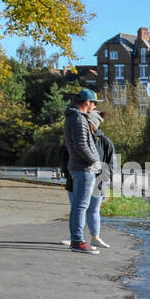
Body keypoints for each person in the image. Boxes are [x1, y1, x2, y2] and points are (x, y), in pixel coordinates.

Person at [62, 89, 104, 254]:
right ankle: (78, 241)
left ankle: (77, 240)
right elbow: (80, 145)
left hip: (79, 167)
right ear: (87, 102)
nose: (94, 106)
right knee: (81, 206)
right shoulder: (78, 119)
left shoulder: (74, 118)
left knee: (79, 205)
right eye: (94, 103)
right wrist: (94, 161)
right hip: (84, 168)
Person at [84, 109, 118, 248]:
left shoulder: (105, 142)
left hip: (98, 180)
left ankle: (95, 237)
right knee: (81, 208)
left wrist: (105, 180)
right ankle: (76, 236)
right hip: (84, 178)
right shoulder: (81, 138)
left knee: (92, 209)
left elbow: (112, 164)